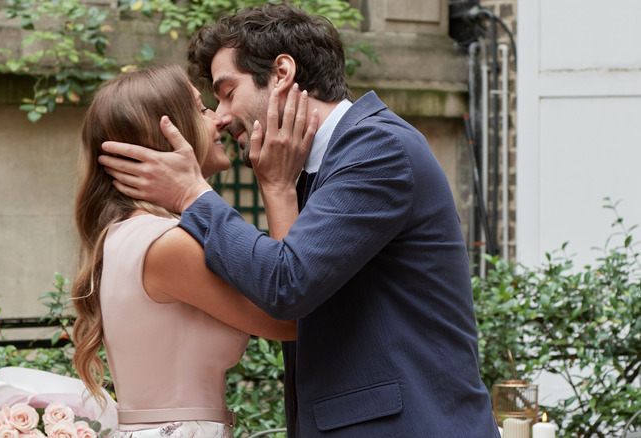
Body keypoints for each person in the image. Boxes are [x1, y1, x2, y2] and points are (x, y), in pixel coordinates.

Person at [98, 4, 500, 438]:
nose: (222, 116)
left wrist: (192, 194)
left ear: (282, 73)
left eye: (228, 92)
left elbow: (287, 286)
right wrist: (277, 187)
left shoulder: (378, 149)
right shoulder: (307, 169)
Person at [71, 64, 312, 438]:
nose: (218, 119)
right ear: (164, 134)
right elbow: (291, 315)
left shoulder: (132, 234)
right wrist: (278, 186)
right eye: (201, 109)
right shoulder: (166, 244)